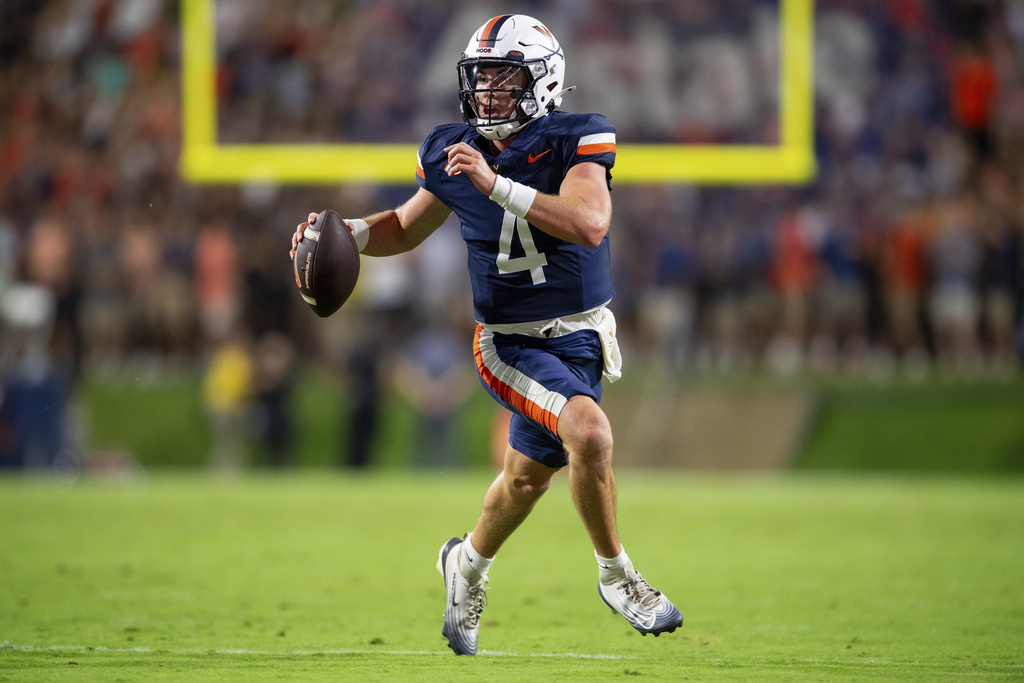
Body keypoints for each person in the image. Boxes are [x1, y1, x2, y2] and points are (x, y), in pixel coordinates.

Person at [290, 14, 682, 655]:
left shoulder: (579, 137)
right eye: (481, 78)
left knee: (527, 479)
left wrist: (495, 184)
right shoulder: (455, 149)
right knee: (589, 432)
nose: (488, 92)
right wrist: (343, 234)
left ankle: (466, 564)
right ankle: (618, 576)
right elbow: (406, 226)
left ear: (543, 81)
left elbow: (588, 223)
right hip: (508, 342)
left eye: (503, 78)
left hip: (580, 337)